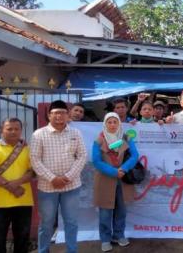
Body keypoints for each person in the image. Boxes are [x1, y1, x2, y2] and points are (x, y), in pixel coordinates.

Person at [30, 100, 87, 253]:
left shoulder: (76, 133)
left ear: (68, 115)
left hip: (72, 186)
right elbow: (35, 159)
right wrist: (53, 178)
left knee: (71, 222)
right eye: (55, 113)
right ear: (49, 116)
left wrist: (68, 177)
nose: (59, 116)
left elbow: (82, 156)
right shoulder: (38, 134)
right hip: (47, 187)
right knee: (46, 223)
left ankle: (71, 250)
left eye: (62, 113)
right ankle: (43, 250)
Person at [0, 118, 34, 253]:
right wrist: (11, 187)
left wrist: (17, 183)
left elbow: (33, 172)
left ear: (21, 130)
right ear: (1, 130)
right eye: (9, 129)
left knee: (23, 239)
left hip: (23, 200)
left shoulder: (28, 149)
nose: (13, 132)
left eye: (16, 129)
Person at [92, 112, 139, 252]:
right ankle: (105, 239)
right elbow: (96, 161)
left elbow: (135, 155)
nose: (112, 125)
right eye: (109, 122)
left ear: (119, 123)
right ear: (105, 124)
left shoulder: (126, 137)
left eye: (115, 122)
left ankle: (119, 235)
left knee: (121, 210)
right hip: (105, 179)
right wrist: (114, 172)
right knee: (105, 211)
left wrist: (123, 168)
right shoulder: (99, 140)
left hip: (123, 179)